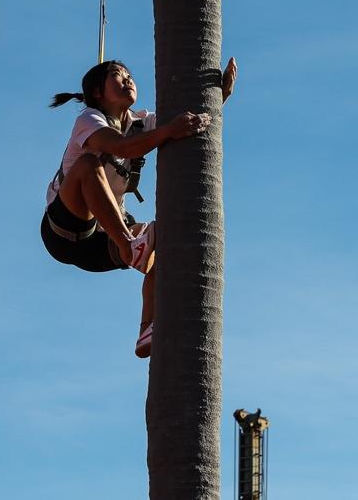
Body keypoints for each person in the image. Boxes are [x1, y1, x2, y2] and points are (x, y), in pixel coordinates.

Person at [42, 57, 237, 358]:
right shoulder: (89, 120)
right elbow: (123, 147)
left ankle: (148, 327)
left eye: (129, 75)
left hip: (102, 242)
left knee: (171, 236)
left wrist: (217, 96)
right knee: (88, 164)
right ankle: (129, 246)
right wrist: (169, 131)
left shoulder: (139, 123)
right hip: (65, 227)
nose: (128, 80)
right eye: (117, 76)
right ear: (97, 92)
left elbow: (187, 122)